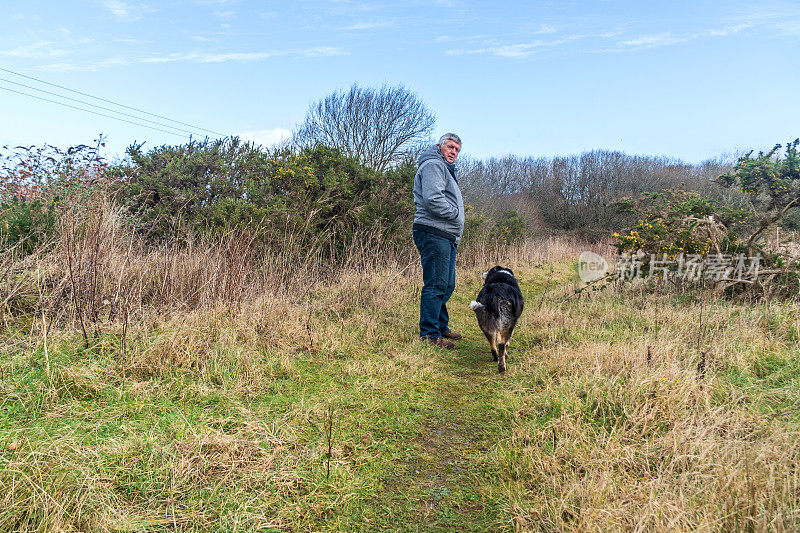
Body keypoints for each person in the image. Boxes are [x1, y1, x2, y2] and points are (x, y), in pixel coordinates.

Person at [412, 133, 465, 348]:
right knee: (436, 284)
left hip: (445, 234)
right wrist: (454, 213)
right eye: (450, 147)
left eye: (457, 150)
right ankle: (430, 335)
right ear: (440, 146)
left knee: (447, 284)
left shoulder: (444, 168)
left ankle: (441, 326)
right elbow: (433, 199)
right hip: (434, 231)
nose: (453, 152)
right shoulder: (433, 165)